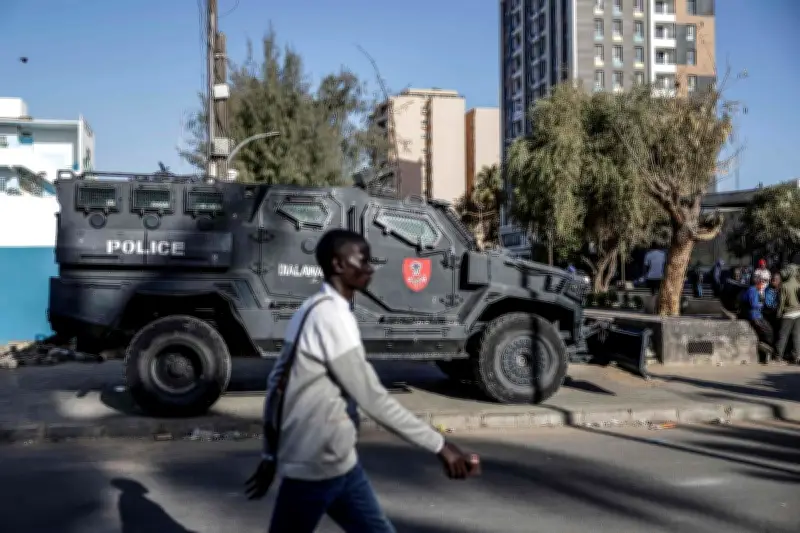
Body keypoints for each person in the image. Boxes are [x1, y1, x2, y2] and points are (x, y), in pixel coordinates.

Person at [246, 229, 478, 533]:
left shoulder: (311, 308)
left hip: (337, 461)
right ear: (338, 264)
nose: (371, 268)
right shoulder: (332, 318)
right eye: (363, 260)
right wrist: (441, 445)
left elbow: (276, 385)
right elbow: (373, 399)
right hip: (317, 463)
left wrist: (270, 453)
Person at [740, 276, 774, 359]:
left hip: (757, 315)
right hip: (755, 316)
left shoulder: (753, 290)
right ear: (757, 283)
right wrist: (762, 305)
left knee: (767, 330)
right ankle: (764, 347)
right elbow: (754, 304)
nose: (763, 285)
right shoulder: (753, 290)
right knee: (768, 331)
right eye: (762, 283)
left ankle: (765, 348)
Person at [776, 264, 800, 364]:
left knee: (783, 335)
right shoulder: (798, 284)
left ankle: (778, 356)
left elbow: (781, 303)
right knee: (797, 336)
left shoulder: (784, 285)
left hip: (787, 314)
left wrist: (778, 313)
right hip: (798, 313)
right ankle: (797, 356)